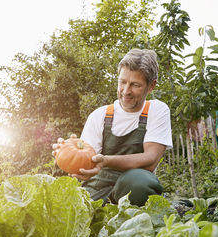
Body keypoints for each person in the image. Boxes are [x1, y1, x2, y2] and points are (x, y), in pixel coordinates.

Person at [54, 48, 172, 206]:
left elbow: (150, 160)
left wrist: (105, 161)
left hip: (133, 193)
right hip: (97, 189)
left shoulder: (156, 110)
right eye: (122, 82)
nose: (126, 91)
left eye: (135, 85)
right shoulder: (100, 115)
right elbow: (86, 161)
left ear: (151, 86)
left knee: (139, 182)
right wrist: (66, 152)